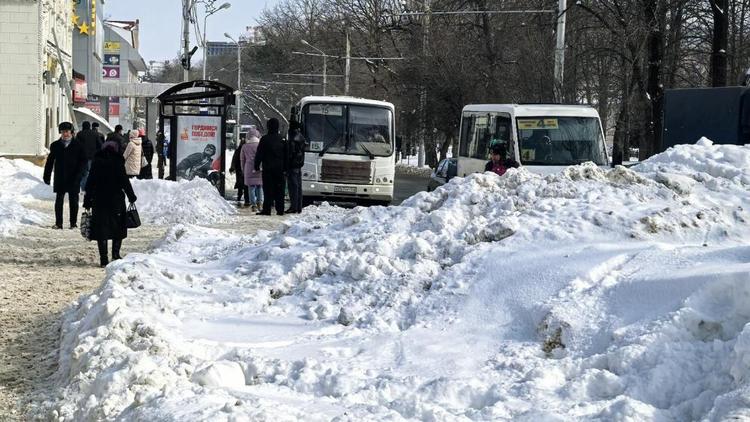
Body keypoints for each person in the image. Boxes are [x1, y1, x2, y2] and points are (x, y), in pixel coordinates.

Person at [83, 142, 137, 267]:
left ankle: (103, 258)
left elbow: (90, 183)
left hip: (99, 200)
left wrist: (87, 201)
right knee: (118, 227)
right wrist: (131, 196)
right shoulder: (118, 162)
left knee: (101, 228)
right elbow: (125, 181)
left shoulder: (96, 163)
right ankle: (116, 255)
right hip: (116, 200)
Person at [43, 121, 87, 229]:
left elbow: (83, 162)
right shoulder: (55, 145)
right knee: (59, 200)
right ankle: (59, 223)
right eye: (63, 132)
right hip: (60, 176)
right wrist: (47, 176)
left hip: (74, 176)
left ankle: (73, 223)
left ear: (71, 132)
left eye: (67, 132)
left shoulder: (78, 145)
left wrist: (80, 175)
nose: (65, 134)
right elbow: (50, 161)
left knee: (74, 200)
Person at [254, 118, 286, 216]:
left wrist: (256, 165)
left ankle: (267, 209)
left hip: (268, 169)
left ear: (268, 126)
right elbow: (287, 155)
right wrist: (286, 168)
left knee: (268, 190)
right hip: (280, 169)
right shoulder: (283, 139)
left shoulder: (264, 139)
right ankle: (280, 209)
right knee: (280, 190)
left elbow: (259, 154)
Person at [75, 121, 103, 191]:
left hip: (81, 157)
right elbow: (100, 145)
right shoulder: (95, 134)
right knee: (90, 172)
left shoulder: (79, 134)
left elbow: (75, 145)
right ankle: (89, 187)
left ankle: (83, 187)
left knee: (83, 173)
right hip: (92, 157)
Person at [240, 127, 263, 211]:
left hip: (248, 168)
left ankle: (253, 205)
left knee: (251, 187)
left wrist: (243, 169)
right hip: (259, 168)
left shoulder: (245, 146)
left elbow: (242, 159)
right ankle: (260, 203)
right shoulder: (260, 145)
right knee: (260, 186)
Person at [285, 119, 304, 213]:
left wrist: (287, 166)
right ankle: (298, 206)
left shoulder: (292, 138)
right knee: (298, 187)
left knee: (293, 187)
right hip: (299, 165)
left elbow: (290, 153)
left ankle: (293, 207)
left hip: (292, 166)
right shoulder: (301, 137)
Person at [229, 136, 247, 205]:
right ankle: (245, 198)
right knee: (245, 184)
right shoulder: (245, 150)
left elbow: (234, 159)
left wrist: (232, 167)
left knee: (240, 184)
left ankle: (240, 196)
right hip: (245, 169)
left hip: (239, 169)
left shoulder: (238, 150)